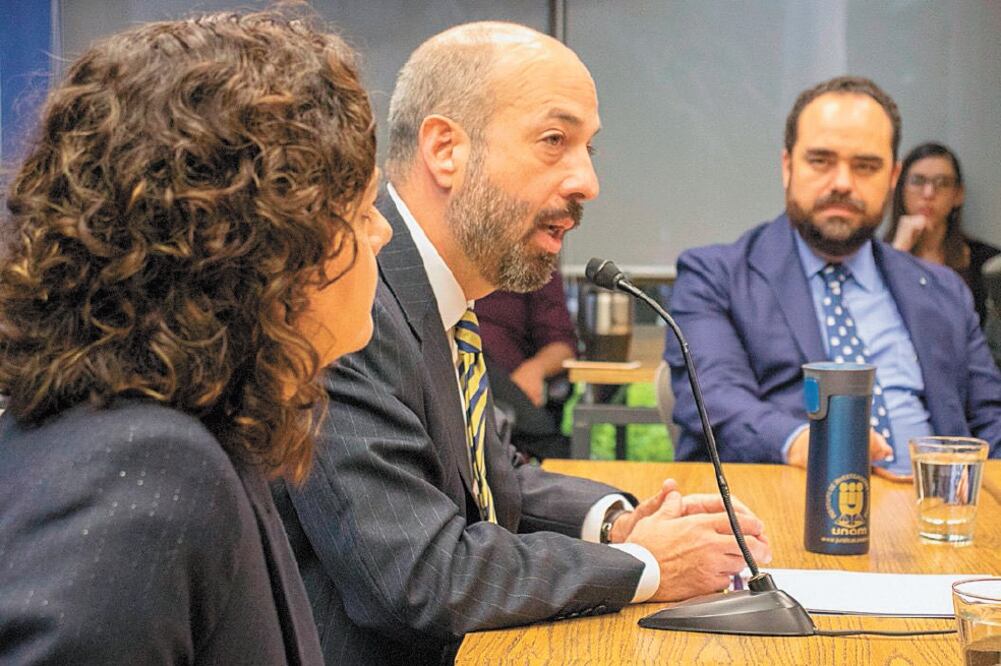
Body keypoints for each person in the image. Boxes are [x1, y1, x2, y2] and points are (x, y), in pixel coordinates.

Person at [274, 21, 771, 665]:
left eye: (590, 148)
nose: (588, 181)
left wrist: (617, 521)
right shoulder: (349, 304)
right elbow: (419, 575)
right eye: (554, 141)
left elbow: (490, 475)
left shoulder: (438, 298)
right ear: (445, 149)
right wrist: (644, 565)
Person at [0, 10, 391, 664]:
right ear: (271, 245)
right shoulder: (151, 466)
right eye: (362, 208)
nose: (380, 233)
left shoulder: (178, 430)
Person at [664, 76, 1001, 478]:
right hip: (784, 512)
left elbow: (990, 420)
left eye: (865, 166)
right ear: (788, 166)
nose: (842, 183)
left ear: (892, 178)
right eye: (821, 160)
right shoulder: (715, 277)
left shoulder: (944, 290)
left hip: (936, 516)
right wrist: (813, 444)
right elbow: (715, 402)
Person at [884, 142, 1000, 326]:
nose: (929, 193)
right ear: (900, 188)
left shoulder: (986, 261)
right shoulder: (871, 257)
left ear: (958, 194)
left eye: (942, 183)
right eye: (918, 181)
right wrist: (898, 252)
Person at [476, 269, 576, 458]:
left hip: (510, 385)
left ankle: (548, 444)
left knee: (478, 360)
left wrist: (536, 368)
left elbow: (563, 346)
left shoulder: (532, 258)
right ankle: (549, 444)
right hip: (443, 374)